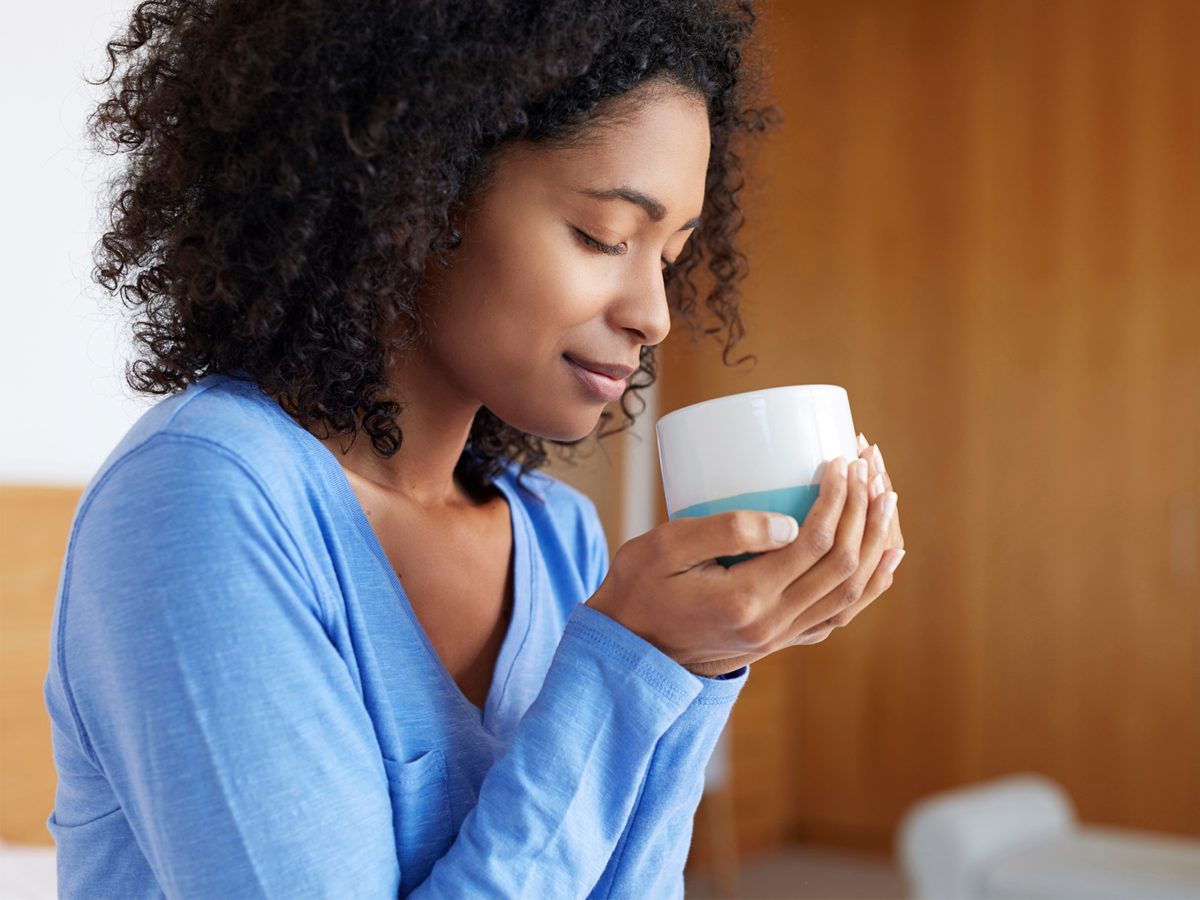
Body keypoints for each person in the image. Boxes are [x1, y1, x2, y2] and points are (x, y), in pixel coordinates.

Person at [44, 0, 905, 896]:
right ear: (414, 185)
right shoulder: (204, 500)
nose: (654, 314)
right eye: (603, 236)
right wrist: (631, 664)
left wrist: (702, 657)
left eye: (672, 257)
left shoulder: (557, 536)